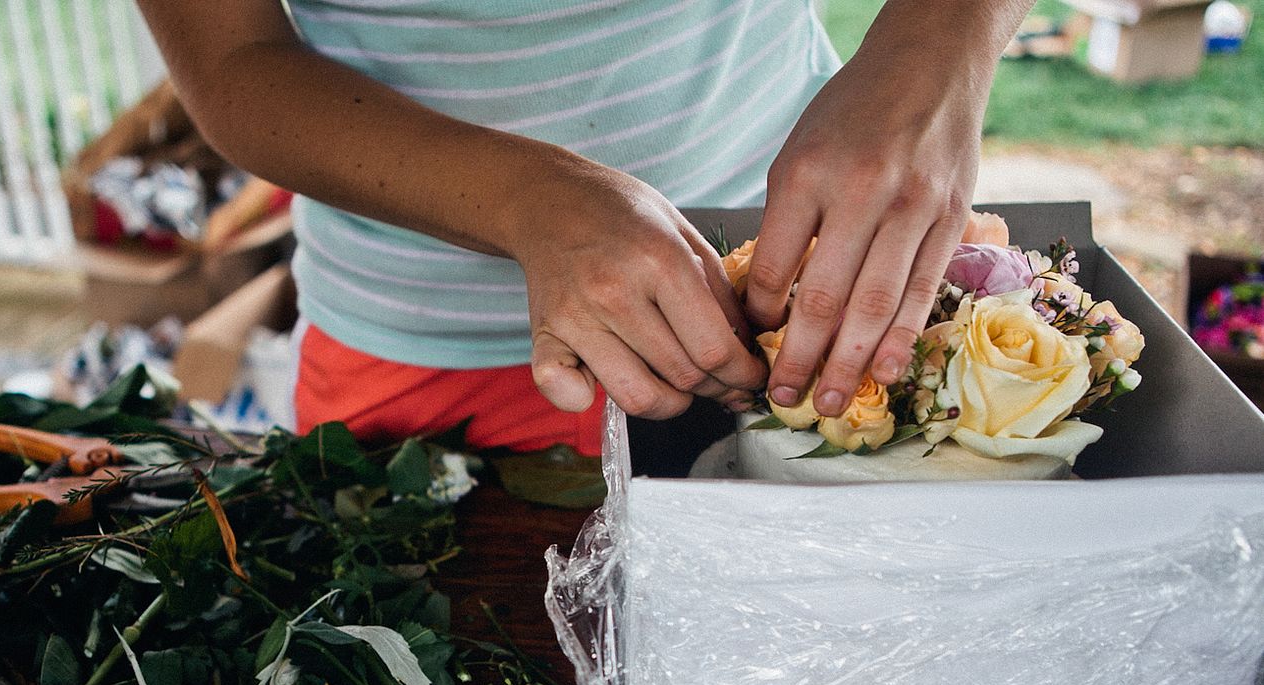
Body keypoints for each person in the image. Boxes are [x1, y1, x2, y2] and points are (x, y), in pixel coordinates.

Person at [137, 0, 1034, 455]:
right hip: (421, 352)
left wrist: (938, 47)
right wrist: (531, 200)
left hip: (816, 291)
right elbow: (232, 59)